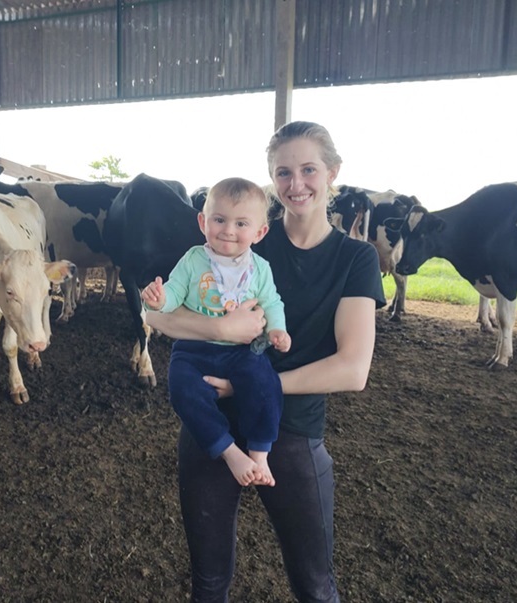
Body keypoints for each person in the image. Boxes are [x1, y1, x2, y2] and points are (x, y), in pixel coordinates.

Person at [146, 121, 386, 602]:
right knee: (209, 582)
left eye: (308, 170)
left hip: (294, 431)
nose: (296, 184)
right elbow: (154, 313)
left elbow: (352, 369)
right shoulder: (240, 237)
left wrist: (253, 386)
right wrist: (216, 329)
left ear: (332, 172)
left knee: (315, 585)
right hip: (212, 425)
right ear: (271, 180)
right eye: (283, 172)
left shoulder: (355, 258)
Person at [142, 177, 291, 488]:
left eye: (241, 223)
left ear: (260, 231)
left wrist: (278, 329)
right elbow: (175, 291)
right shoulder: (194, 259)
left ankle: (260, 451)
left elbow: (272, 301)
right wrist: (161, 298)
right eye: (219, 220)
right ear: (202, 221)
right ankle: (228, 450)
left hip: (245, 351)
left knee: (266, 385)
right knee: (182, 388)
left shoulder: (260, 268)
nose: (228, 230)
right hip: (195, 348)